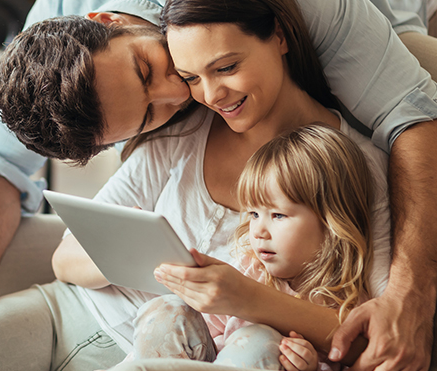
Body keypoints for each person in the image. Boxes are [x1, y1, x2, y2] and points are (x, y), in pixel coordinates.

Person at [0, 0, 437, 370]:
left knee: (409, 37)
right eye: (146, 116)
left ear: (107, 21)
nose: (183, 93)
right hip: (147, 323)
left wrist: (412, 298)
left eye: (145, 71)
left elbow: (417, 115)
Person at [123, 124, 378, 371]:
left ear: (331, 221)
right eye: (254, 214)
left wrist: (310, 366)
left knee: (259, 341)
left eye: (278, 215)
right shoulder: (250, 269)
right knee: (168, 308)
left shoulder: (348, 302)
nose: (259, 231)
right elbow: (203, 334)